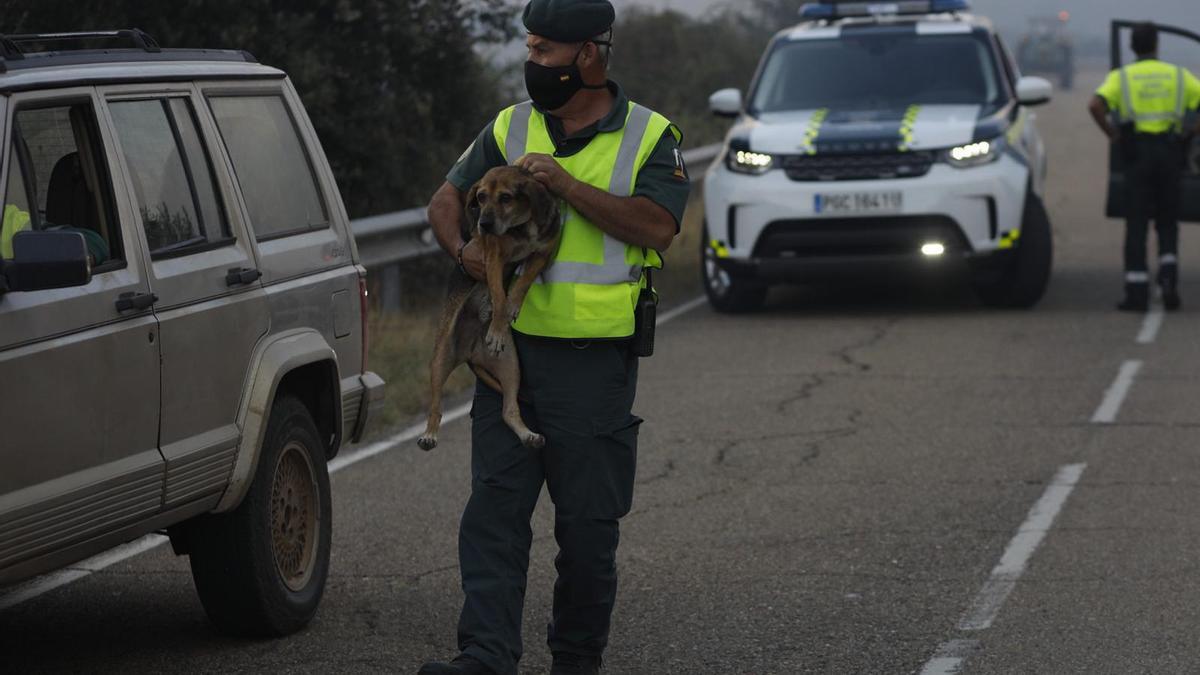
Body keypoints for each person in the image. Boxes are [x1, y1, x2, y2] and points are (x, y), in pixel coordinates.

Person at [421, 1, 691, 673]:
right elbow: (446, 200)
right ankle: (483, 657)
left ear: (591, 56)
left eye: (545, 51)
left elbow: (658, 226)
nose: (531, 63)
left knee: (587, 533)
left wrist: (566, 185)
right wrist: (464, 254)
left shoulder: (649, 135)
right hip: (505, 358)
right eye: (529, 49)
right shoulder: (510, 126)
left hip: (593, 370)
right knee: (494, 517)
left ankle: (575, 660)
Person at [1089, 21, 1200, 312]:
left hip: (1136, 154)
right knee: (1167, 222)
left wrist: (1113, 135)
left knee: (1136, 224)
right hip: (1170, 152)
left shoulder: (1121, 77)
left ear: (1131, 46)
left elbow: (1095, 105)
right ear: (1157, 45)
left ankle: (1136, 293)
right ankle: (1168, 280)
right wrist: (1190, 133)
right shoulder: (1178, 76)